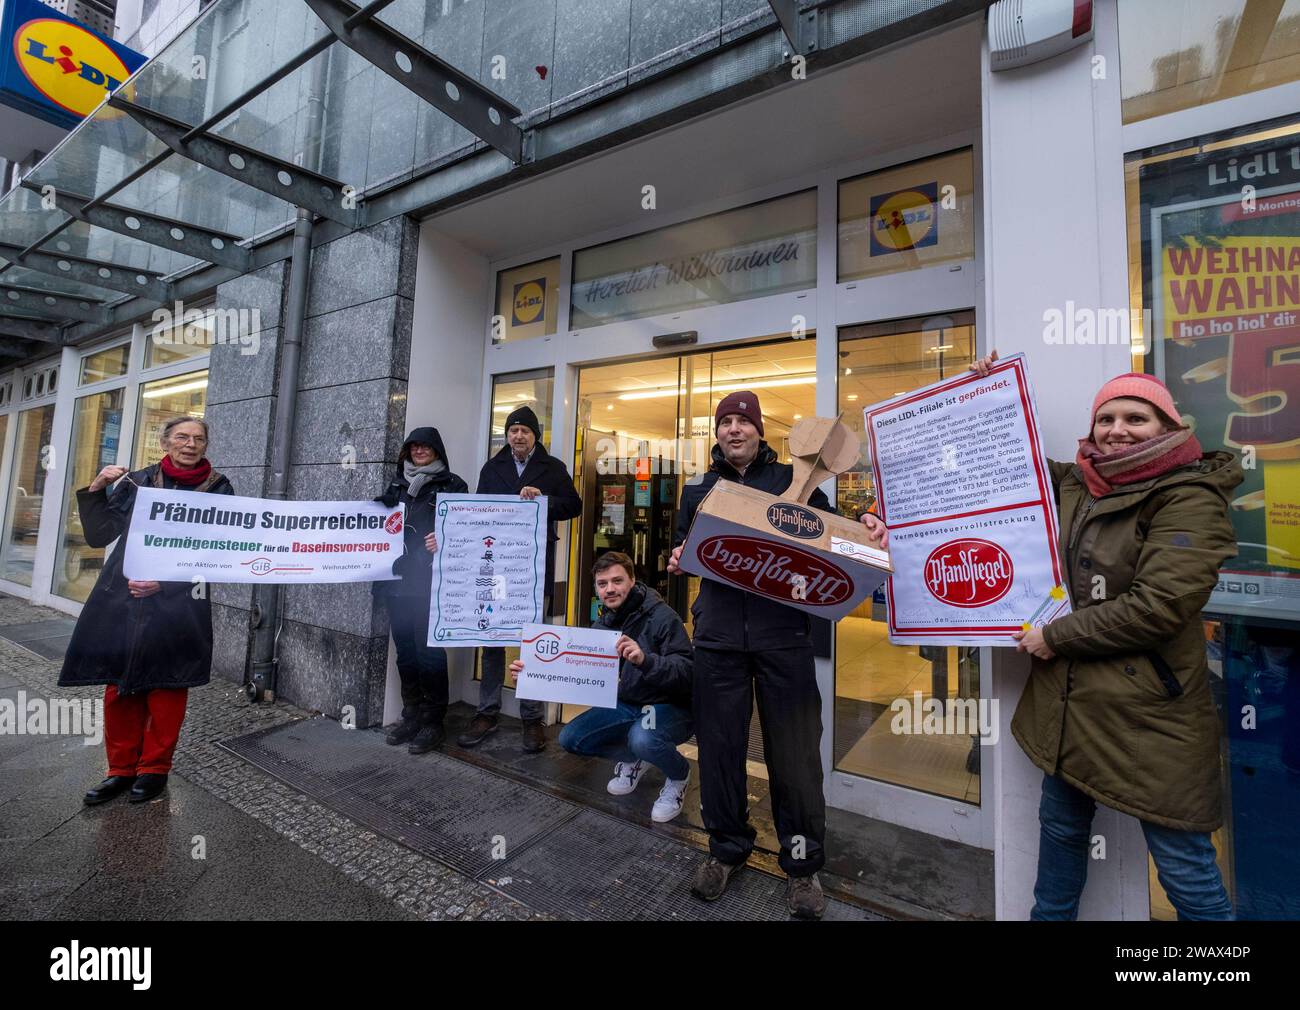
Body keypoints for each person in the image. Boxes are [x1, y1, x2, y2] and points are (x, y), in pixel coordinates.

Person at [861, 352, 1242, 921]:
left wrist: (1056, 636)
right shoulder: (1074, 483)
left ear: (1169, 427)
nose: (1116, 431)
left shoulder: (1189, 496)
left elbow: (1159, 606)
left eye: (1136, 418)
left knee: (1184, 868)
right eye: (1106, 419)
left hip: (1152, 718)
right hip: (1069, 707)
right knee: (1061, 840)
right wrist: (976, 395)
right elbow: (979, 479)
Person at [667, 390, 880, 920]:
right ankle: (725, 850)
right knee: (718, 749)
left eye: (743, 421)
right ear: (716, 434)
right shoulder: (699, 490)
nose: (733, 430)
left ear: (761, 431)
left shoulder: (795, 484)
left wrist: (868, 531)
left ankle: (803, 867)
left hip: (784, 637)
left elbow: (836, 544)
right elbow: (683, 552)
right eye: (725, 423)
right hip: (716, 639)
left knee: (796, 754)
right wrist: (678, 558)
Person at [60, 416, 234, 805]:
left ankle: (154, 769)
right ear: (165, 442)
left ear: (206, 445)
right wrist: (98, 488)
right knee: (119, 684)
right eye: (182, 437)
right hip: (124, 596)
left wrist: (167, 582)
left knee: (167, 686)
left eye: (199, 438)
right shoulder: (138, 481)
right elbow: (99, 535)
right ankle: (120, 770)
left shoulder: (219, 488)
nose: (190, 444)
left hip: (180, 600)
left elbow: (221, 551)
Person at [509, 551, 694, 821]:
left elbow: (687, 673)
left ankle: (679, 775)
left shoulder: (663, 617)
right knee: (571, 738)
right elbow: (572, 672)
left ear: (632, 580)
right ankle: (636, 758)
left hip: (668, 706)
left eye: (617, 581)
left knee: (642, 737)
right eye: (602, 583)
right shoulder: (602, 623)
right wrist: (531, 674)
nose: (609, 589)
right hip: (628, 703)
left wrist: (645, 660)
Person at [457, 405, 582, 753]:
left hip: (532, 566)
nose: (518, 435)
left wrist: (544, 499)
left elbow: (575, 505)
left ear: (535, 436)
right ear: (507, 435)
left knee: (532, 640)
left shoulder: (552, 468)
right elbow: (477, 513)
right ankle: (487, 712)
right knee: (493, 638)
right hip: (495, 566)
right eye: (513, 430)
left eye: (525, 430)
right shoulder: (492, 467)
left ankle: (532, 718)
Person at [374, 427, 468, 754]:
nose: (419, 451)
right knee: (406, 653)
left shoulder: (454, 485)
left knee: (429, 654)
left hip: (429, 584)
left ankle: (433, 721)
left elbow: (465, 531)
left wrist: (446, 538)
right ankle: (411, 715)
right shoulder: (397, 484)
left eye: (425, 446)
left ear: (437, 450)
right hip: (396, 583)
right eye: (413, 446)